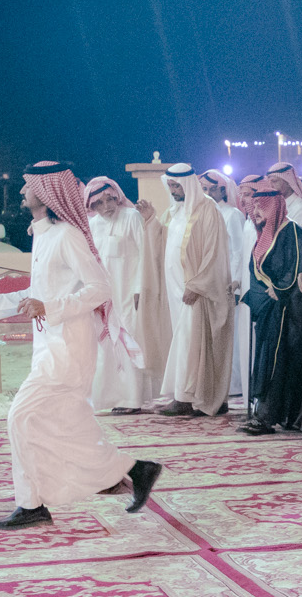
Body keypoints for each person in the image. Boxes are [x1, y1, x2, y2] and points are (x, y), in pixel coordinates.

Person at [0, 163, 160, 530]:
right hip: (49, 345)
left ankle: (32, 504)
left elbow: (100, 288)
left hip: (68, 348)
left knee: (21, 416)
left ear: (46, 191)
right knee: (67, 424)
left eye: (28, 186)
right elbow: (39, 293)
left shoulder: (67, 235)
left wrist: (50, 308)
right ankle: (133, 470)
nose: (22, 192)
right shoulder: (44, 235)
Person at [239, 187, 302, 435]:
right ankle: (266, 414)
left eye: (261, 206)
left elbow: (300, 268)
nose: (256, 212)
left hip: (290, 313)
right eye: (254, 207)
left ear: (274, 207)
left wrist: (279, 288)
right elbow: (256, 270)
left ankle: (272, 416)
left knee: (282, 362)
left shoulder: (293, 232)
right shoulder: (264, 235)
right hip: (270, 311)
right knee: (268, 361)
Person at [158, 163, 235, 416]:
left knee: (193, 342)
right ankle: (184, 395)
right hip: (175, 289)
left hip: (197, 290)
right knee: (183, 342)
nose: (173, 190)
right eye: (170, 185)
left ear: (188, 184)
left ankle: (190, 397)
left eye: (177, 186)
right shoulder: (175, 211)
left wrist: (197, 284)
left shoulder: (207, 209)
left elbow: (215, 252)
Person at [84, 177, 151, 414]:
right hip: (103, 296)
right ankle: (109, 397)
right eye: (99, 203)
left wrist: (139, 288)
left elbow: (145, 254)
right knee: (105, 344)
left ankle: (132, 399)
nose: (106, 206)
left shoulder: (131, 217)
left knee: (127, 340)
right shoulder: (93, 225)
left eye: (110, 199)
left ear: (117, 197)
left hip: (128, 294)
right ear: (91, 205)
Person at [200, 169, 254, 404]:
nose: (207, 193)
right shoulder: (204, 213)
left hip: (228, 284)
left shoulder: (232, 215)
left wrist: (235, 284)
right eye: (203, 189)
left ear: (223, 190)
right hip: (210, 284)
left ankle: (235, 384)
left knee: (231, 333)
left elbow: (238, 252)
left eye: (212, 189)